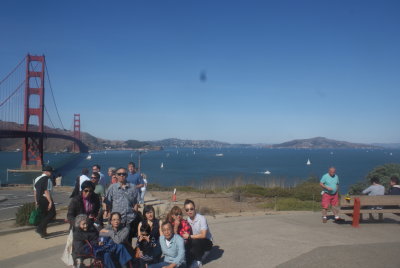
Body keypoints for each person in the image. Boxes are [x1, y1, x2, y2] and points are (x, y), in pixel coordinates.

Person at [105, 167, 140, 244]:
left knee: (128, 242)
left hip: (129, 219)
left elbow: (136, 202)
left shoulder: (133, 187)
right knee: (115, 241)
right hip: (116, 221)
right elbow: (107, 202)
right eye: (119, 174)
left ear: (126, 175)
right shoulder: (112, 187)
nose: (121, 175)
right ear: (116, 175)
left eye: (123, 174)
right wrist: (106, 211)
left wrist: (136, 206)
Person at [184, 199, 212, 268]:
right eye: (187, 210)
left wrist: (189, 236)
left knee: (195, 241)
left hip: (206, 242)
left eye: (191, 209)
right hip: (195, 241)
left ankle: (199, 260)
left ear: (194, 208)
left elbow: (203, 235)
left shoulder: (201, 218)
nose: (189, 211)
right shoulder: (187, 220)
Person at [33, 165, 56, 238]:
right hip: (46, 198)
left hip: (39, 198)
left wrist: (36, 200)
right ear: (46, 172)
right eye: (50, 171)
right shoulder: (47, 179)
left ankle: (43, 232)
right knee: (52, 214)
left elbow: (35, 191)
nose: (51, 173)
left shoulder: (37, 178)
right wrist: (50, 202)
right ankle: (39, 228)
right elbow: (46, 191)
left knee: (44, 215)